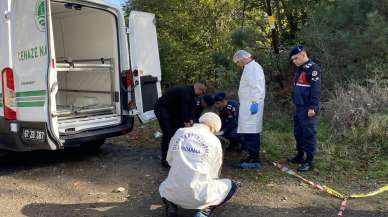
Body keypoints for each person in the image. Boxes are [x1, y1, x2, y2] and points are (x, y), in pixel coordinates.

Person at [159, 112, 238, 217]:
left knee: (164, 185)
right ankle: (204, 211)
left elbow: (170, 159)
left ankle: (171, 206)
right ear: (212, 128)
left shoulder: (180, 132)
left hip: (173, 192)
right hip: (199, 196)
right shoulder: (214, 141)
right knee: (231, 185)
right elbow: (214, 173)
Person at [154, 81, 207, 168]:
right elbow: (183, 111)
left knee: (176, 129)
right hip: (162, 109)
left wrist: (192, 122)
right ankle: (165, 160)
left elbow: (190, 110)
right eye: (203, 92)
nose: (202, 94)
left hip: (171, 110)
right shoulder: (186, 94)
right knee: (168, 133)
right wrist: (187, 123)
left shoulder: (191, 94)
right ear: (199, 89)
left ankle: (175, 153)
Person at [288, 45, 321, 172]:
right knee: (298, 133)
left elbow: (315, 90)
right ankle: (300, 156)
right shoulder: (300, 69)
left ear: (303, 54)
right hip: (299, 107)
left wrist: (312, 107)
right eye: (293, 59)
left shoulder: (313, 69)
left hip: (308, 108)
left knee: (309, 134)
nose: (294, 61)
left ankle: (309, 161)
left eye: (296, 58)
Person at [233, 50, 266, 169]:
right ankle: (251, 156)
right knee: (248, 131)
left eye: (238, 62)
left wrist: (255, 103)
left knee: (252, 132)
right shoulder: (249, 68)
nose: (238, 65)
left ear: (242, 59)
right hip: (247, 105)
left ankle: (254, 159)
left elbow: (257, 88)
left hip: (252, 106)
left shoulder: (253, 68)